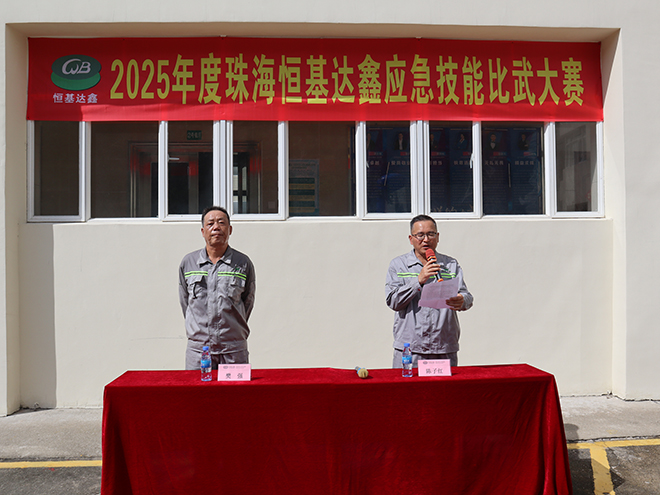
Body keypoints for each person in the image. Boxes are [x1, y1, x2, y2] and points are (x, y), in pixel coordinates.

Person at [386, 215, 473, 368]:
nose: (426, 240)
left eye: (430, 234)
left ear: (437, 237)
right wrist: (418, 280)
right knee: (406, 385)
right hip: (410, 349)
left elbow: (467, 296)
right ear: (411, 239)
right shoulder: (399, 265)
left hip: (443, 348)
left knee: (446, 386)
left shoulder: (450, 265)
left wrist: (462, 300)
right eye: (420, 235)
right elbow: (393, 301)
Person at [179, 206, 256, 370]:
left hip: (233, 350)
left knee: (235, 388)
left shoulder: (242, 263)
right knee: (196, 388)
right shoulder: (189, 263)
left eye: (221, 223)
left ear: (230, 229)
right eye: (210, 223)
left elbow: (247, 302)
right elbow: (186, 303)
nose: (216, 227)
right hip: (199, 351)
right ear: (202, 231)